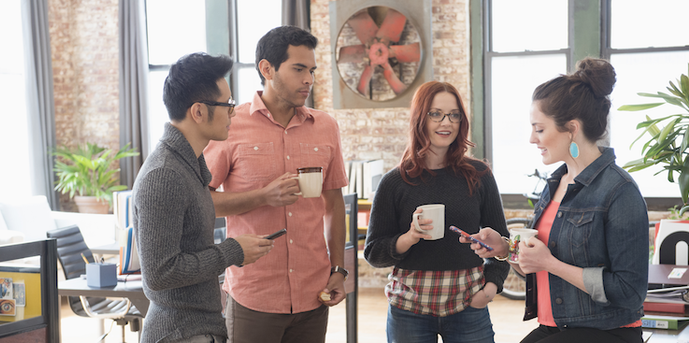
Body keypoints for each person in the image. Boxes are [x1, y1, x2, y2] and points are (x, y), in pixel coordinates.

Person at [465, 58, 649, 343]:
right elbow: (538, 264)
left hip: (608, 332)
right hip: (557, 327)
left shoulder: (619, 191)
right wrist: (504, 248)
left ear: (572, 129)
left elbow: (630, 291)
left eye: (539, 129)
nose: (531, 139)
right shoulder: (556, 184)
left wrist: (550, 264)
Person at [203, 26, 348, 343]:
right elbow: (201, 202)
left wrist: (339, 268)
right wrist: (264, 196)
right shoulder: (230, 124)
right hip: (255, 293)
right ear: (266, 69)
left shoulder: (325, 127)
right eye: (298, 69)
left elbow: (334, 204)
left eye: (311, 70)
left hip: (314, 292)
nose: (308, 79)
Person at [132, 52, 274, 343]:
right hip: (179, 332)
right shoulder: (165, 174)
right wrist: (232, 251)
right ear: (198, 112)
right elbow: (160, 274)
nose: (233, 114)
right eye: (228, 105)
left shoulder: (188, 165)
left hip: (197, 327)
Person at [363, 81, 510, 343]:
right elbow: (374, 253)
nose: (447, 122)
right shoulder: (394, 182)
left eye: (454, 115)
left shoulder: (480, 176)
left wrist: (489, 290)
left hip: (468, 305)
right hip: (409, 309)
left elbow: (503, 246)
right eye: (436, 114)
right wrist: (409, 236)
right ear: (420, 118)